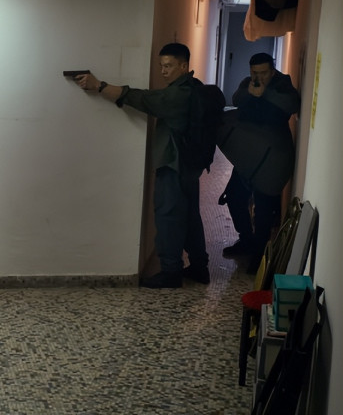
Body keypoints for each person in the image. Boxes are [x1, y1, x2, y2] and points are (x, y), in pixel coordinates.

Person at [75, 42, 209, 289]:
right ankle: (200, 268)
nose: (163, 71)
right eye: (161, 66)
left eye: (168, 66)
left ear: (183, 66)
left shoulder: (177, 95)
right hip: (190, 166)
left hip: (173, 165)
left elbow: (143, 99)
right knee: (190, 217)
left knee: (168, 217)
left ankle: (171, 272)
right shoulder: (194, 88)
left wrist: (100, 86)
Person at [218, 53, 300, 273]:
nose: (258, 77)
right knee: (234, 196)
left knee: (264, 211)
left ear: (272, 71)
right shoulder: (249, 82)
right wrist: (251, 91)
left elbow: (292, 103)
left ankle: (259, 254)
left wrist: (265, 93)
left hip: (272, 157)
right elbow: (237, 99)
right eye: (255, 72)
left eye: (263, 73)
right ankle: (246, 240)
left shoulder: (282, 84)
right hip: (249, 155)